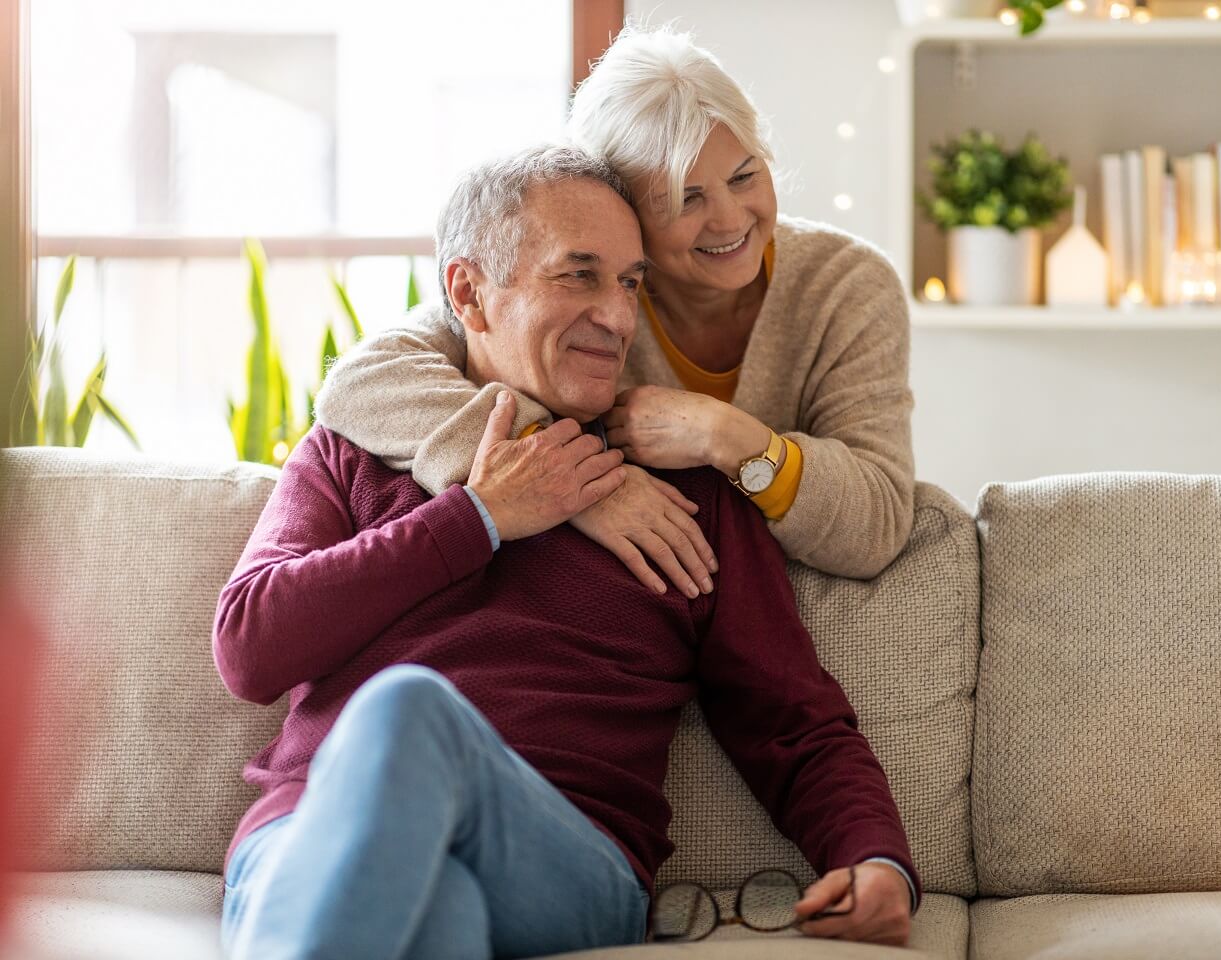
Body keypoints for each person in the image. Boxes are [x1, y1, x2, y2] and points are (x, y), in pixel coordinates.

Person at [215, 146, 918, 960]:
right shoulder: (356, 449)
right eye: (578, 275)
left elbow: (793, 719)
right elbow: (248, 646)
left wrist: (875, 858)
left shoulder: (686, 498)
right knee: (439, 916)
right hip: (310, 835)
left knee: (411, 712)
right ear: (469, 294)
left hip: (563, 863)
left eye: (629, 282)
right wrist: (475, 520)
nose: (620, 318)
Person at [314, 24, 915, 593]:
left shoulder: (845, 284)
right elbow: (364, 382)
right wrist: (583, 484)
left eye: (744, 175)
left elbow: (879, 523)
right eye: (686, 197)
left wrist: (724, 435)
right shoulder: (577, 300)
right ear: (619, 209)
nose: (731, 221)